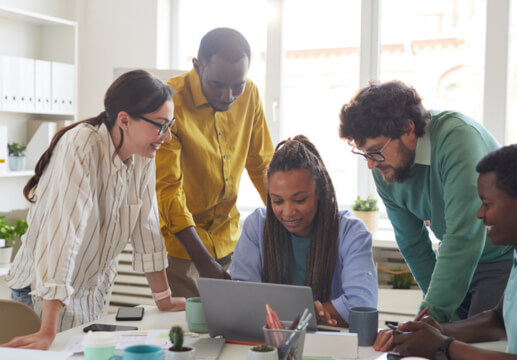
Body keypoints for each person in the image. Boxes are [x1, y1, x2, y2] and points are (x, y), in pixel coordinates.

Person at [2, 70, 185, 350]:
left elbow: (146, 226)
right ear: (124, 120)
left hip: (89, 294)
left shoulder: (143, 154)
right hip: (42, 295)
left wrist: (164, 298)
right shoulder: (81, 146)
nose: (168, 136)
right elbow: (63, 235)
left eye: (169, 125)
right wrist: (47, 329)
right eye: (160, 125)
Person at [376, 143, 517, 359]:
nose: (480, 214)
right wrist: (439, 330)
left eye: (486, 204)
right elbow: (499, 320)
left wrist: (444, 346)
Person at [339, 80, 513, 323]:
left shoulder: (457, 138)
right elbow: (412, 243)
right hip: (453, 257)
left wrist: (430, 319)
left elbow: (463, 235)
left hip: (500, 257)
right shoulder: (382, 166)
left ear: (409, 129)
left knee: (476, 344)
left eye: (376, 150)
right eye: (365, 154)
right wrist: (433, 319)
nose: (371, 164)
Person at [155, 27, 274, 298]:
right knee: (187, 334)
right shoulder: (169, 101)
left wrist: (287, 220)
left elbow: (261, 164)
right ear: (198, 66)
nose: (227, 96)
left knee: (235, 329)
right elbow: (168, 189)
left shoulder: (251, 94)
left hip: (230, 240)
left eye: (237, 85)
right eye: (217, 85)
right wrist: (203, 261)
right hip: (183, 247)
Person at [229, 135, 378, 327]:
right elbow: (240, 299)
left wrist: (287, 315)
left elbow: (361, 308)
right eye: (277, 201)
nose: (288, 212)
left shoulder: (352, 233)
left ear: (320, 193)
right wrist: (313, 313)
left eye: (299, 200)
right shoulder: (257, 226)